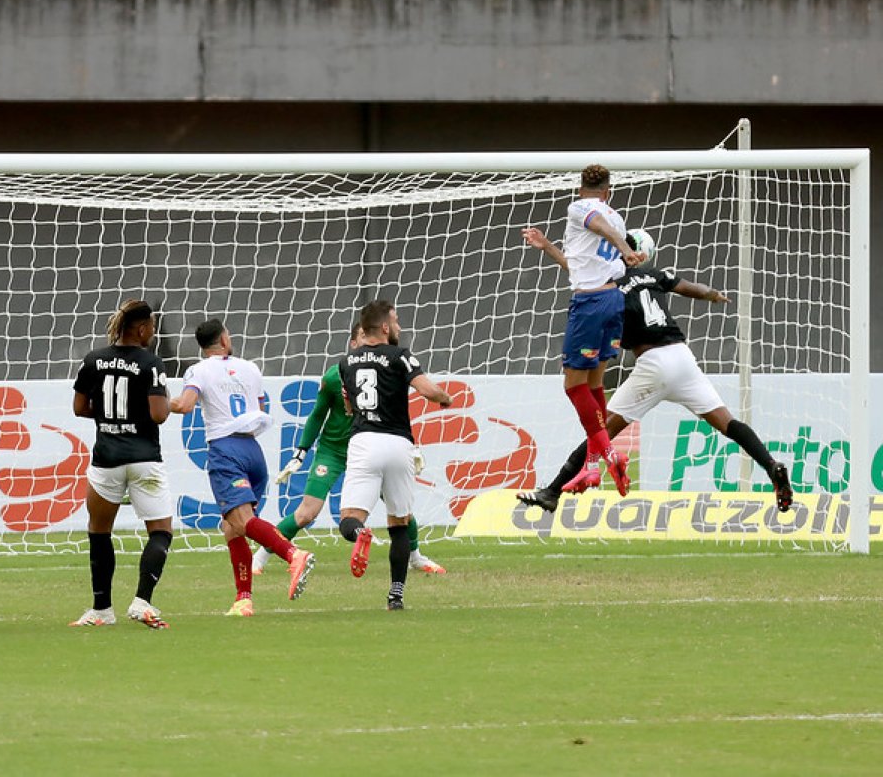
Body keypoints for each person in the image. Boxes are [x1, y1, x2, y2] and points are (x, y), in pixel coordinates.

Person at [518, 232, 793, 514]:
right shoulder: (652, 275)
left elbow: (577, 271)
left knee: (600, 431)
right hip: (682, 357)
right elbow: (688, 288)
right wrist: (713, 295)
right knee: (727, 422)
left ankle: (552, 492)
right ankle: (771, 466)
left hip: (652, 363)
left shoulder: (606, 282)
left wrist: (549, 248)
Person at [256, 321, 446, 576]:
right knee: (306, 512)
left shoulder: (388, 371)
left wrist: (410, 447)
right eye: (360, 340)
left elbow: (395, 414)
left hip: (369, 451)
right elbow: (316, 416)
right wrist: (301, 451)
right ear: (353, 344)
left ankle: (416, 557)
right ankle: (261, 555)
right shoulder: (335, 376)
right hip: (333, 452)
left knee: (401, 512)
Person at [170, 318, 315, 617]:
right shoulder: (250, 368)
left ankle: (293, 555)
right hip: (253, 451)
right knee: (231, 527)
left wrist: (160, 402)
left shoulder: (198, 370)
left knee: (242, 521)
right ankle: (243, 599)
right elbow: (258, 408)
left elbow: (185, 405)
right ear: (224, 339)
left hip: (225, 450)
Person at [522, 164, 644, 496]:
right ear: (609, 191)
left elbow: (598, 223)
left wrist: (624, 247)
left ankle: (608, 454)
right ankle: (590, 469)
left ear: (581, 190)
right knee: (594, 385)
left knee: (573, 386)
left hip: (589, 306)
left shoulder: (581, 209)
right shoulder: (617, 217)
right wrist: (547, 246)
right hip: (611, 301)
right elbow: (579, 267)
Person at [338, 300, 452, 611]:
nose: (399, 327)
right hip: (398, 444)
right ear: (385, 327)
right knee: (399, 523)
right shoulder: (400, 356)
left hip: (363, 442)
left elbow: (349, 408)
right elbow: (426, 390)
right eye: (396, 321)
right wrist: (445, 398)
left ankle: (361, 534)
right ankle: (396, 595)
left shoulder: (346, 362)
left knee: (349, 518)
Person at [70, 300, 174, 630]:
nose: (154, 332)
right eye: (152, 327)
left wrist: (110, 418)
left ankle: (101, 609)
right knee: (160, 532)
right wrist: (160, 408)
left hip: (107, 459)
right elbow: (158, 414)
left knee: (99, 532)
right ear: (141, 328)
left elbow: (79, 407)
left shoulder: (93, 359)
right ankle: (142, 601)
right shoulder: (151, 362)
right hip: (144, 459)